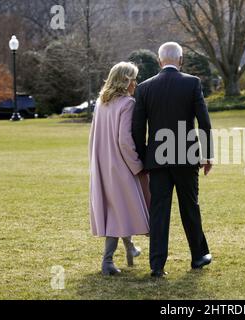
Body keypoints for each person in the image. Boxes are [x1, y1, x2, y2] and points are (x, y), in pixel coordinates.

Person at [132, 42, 214, 278]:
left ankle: (157, 266)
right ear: (180, 60)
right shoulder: (192, 83)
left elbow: (138, 128)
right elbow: (204, 122)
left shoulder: (145, 88)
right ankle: (198, 255)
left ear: (159, 61)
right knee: (190, 206)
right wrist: (207, 154)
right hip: (186, 156)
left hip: (157, 158)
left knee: (159, 211)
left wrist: (142, 158)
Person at [89, 62, 150, 276]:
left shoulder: (100, 103)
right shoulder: (127, 103)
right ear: (126, 81)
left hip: (102, 164)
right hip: (120, 165)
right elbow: (125, 140)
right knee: (118, 210)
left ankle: (130, 249)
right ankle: (107, 261)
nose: (136, 82)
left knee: (118, 207)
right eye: (134, 78)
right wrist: (137, 165)